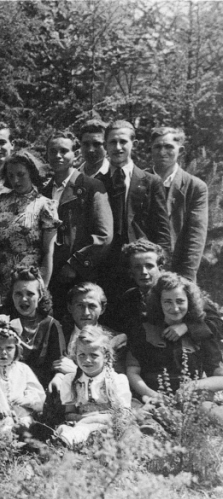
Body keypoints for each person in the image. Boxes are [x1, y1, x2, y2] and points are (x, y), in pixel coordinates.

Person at [96, 120, 171, 303]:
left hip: (141, 268)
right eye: (112, 142)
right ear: (105, 146)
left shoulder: (151, 182)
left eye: (123, 142)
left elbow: (162, 229)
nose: (118, 147)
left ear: (134, 144)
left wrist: (162, 268)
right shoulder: (96, 183)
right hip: (107, 267)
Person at [42, 131, 113, 316]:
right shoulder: (42, 191)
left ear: (76, 155)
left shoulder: (91, 186)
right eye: (53, 151)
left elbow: (104, 235)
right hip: (50, 276)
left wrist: (75, 264)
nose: (58, 156)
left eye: (64, 151)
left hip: (82, 276)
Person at [126, 273, 223, 399]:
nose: (175, 308)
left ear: (190, 301)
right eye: (168, 302)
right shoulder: (143, 329)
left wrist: (194, 386)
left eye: (180, 301)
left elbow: (220, 376)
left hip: (191, 401)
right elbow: (133, 370)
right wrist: (153, 395)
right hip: (149, 400)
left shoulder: (201, 332)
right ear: (158, 302)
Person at [0, 150, 60, 296]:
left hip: (31, 281)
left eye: (20, 174)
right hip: (3, 279)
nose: (15, 180)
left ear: (32, 173)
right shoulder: (0, 202)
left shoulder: (45, 205)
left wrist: (43, 287)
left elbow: (49, 251)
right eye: (11, 176)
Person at [51, 325, 132, 447]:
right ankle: (66, 447)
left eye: (94, 355)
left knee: (89, 431)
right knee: (65, 428)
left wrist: (96, 419)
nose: (87, 360)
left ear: (106, 356)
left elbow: (122, 415)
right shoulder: (71, 380)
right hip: (80, 421)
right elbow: (69, 414)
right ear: (75, 355)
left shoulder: (117, 380)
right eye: (81, 355)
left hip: (108, 424)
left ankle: (73, 441)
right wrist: (85, 420)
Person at [149, 127, 208, 281]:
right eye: (158, 147)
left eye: (169, 147)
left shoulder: (195, 187)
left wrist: (185, 281)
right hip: (142, 271)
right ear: (151, 149)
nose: (162, 152)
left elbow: (195, 238)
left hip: (177, 272)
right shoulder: (140, 181)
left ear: (180, 151)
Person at [0, 266, 66, 387]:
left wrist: (57, 380)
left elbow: (60, 365)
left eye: (30, 294)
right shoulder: (2, 320)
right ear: (11, 296)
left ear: (40, 296)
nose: (24, 299)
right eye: (18, 294)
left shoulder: (51, 325)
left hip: (41, 390)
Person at [0, 319, 45, 426]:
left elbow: (37, 393)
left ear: (17, 349)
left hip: (23, 415)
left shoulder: (23, 369)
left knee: (26, 426)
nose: (3, 352)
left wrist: (26, 400)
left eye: (9, 348)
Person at [63, 282, 127, 374]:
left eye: (92, 306)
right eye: (80, 306)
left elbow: (117, 377)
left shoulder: (116, 340)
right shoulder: (58, 333)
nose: (86, 313)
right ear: (70, 308)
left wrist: (75, 372)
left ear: (102, 309)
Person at [106, 240, 165, 339]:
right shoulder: (129, 297)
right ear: (130, 272)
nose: (144, 272)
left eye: (149, 266)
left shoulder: (172, 294)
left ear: (160, 268)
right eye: (137, 267)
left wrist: (184, 327)